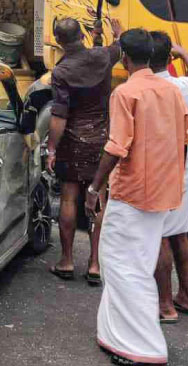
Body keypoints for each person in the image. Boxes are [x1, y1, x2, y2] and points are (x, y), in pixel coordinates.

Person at [85, 29, 188, 365]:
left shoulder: (126, 92)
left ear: (124, 58)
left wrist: (94, 187)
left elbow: (116, 146)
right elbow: (183, 138)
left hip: (132, 193)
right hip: (163, 191)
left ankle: (142, 346)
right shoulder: (172, 91)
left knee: (121, 265)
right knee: (138, 263)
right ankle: (113, 334)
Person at [46, 18, 121, 285]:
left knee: (68, 199)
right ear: (82, 35)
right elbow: (119, 48)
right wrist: (115, 32)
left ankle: (66, 260)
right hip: (101, 140)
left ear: (58, 41)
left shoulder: (61, 71)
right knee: (97, 199)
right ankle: (94, 263)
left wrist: (51, 148)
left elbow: (59, 116)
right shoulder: (102, 56)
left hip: (73, 141)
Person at [149, 32, 188, 323]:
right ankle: (186, 296)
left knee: (159, 235)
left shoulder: (140, 88)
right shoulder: (186, 87)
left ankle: (165, 305)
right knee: (180, 233)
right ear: (169, 57)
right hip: (182, 164)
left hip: (153, 167)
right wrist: (185, 53)